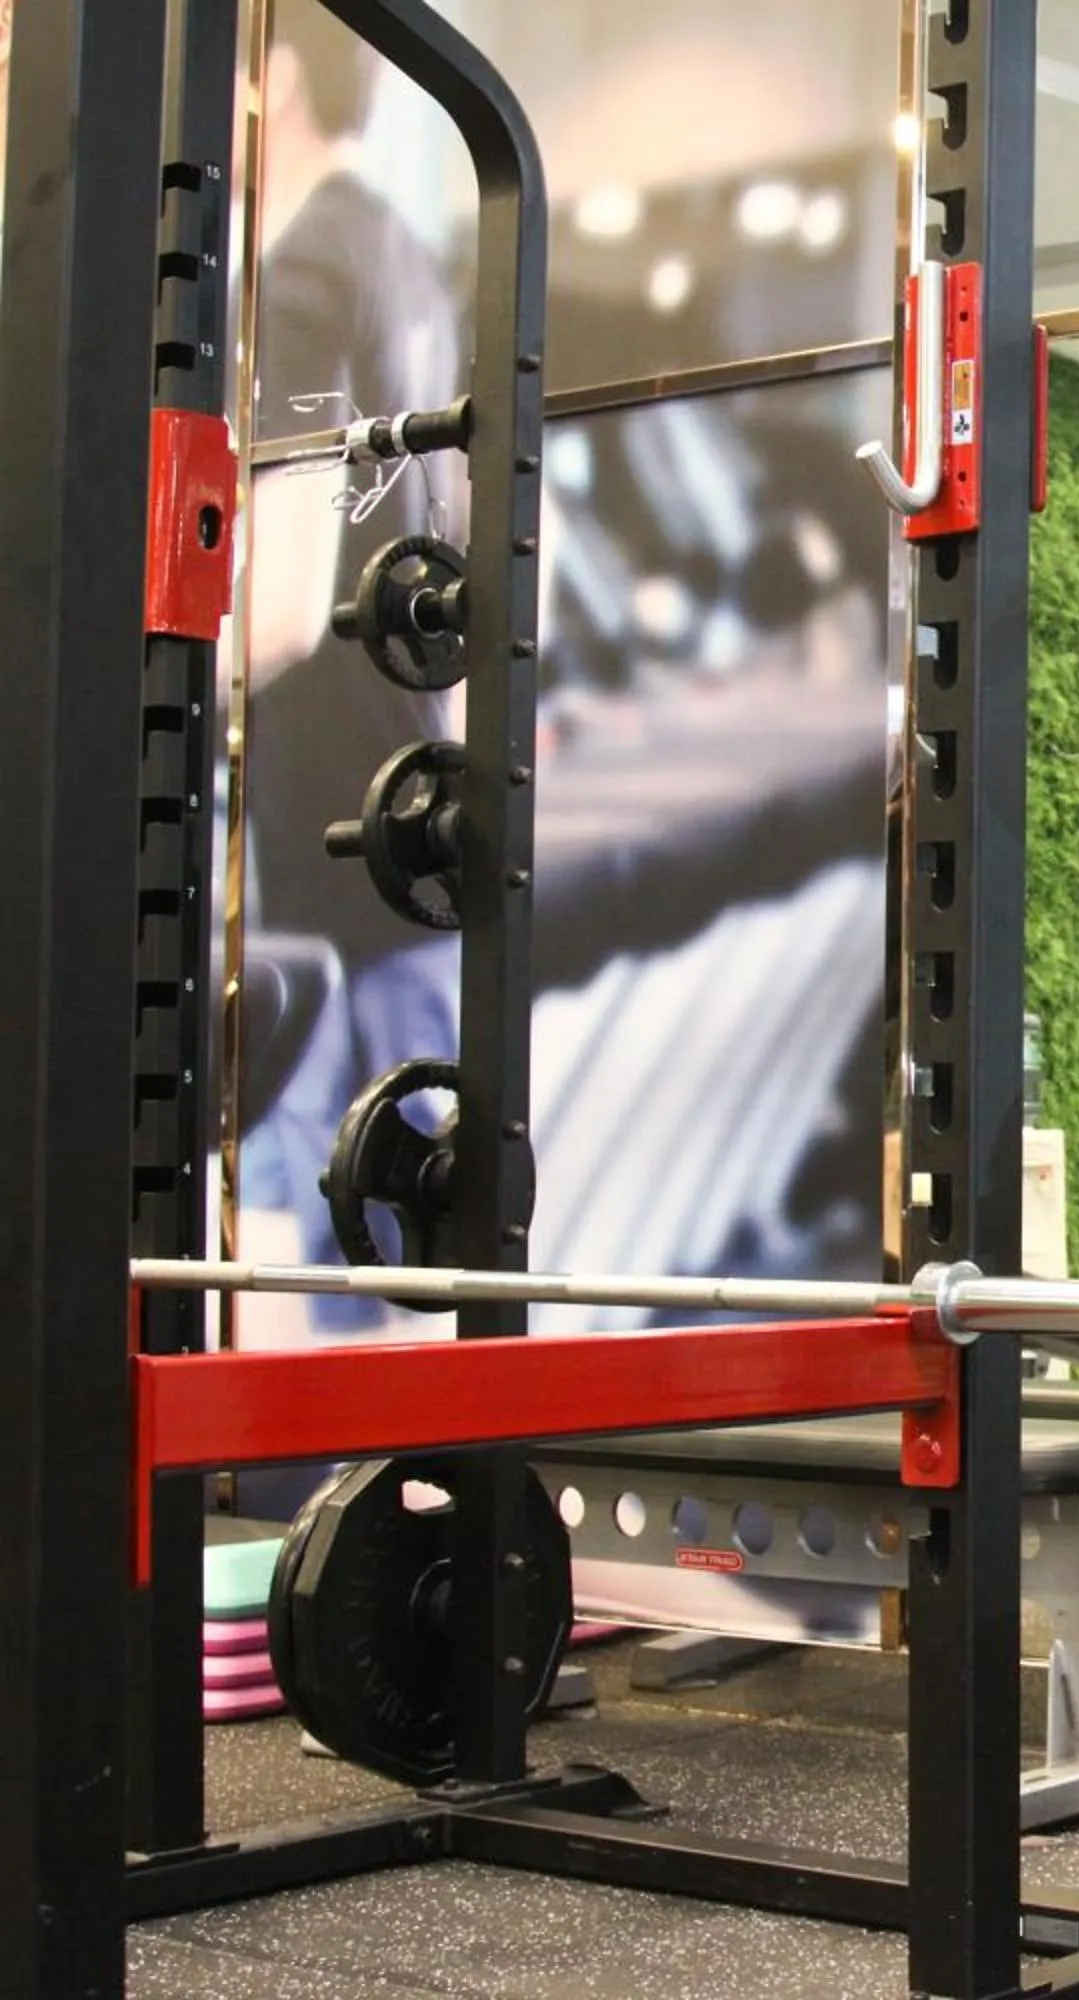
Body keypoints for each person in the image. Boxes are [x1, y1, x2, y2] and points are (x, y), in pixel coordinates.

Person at [235, 0, 465, 1336]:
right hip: (406, 812)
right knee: (405, 1257)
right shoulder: (405, 260)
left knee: (324, 1261)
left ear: (275, 75)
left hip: (325, 830)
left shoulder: (306, 270)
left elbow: (271, 603)